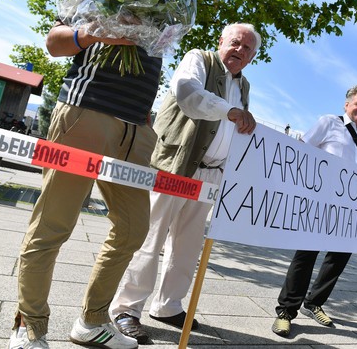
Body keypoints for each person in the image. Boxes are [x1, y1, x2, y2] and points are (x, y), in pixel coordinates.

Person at [8, 21, 163, 349]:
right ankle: (28, 326)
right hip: (87, 111)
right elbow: (55, 42)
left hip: (136, 129)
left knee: (133, 228)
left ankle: (92, 322)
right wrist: (102, 30)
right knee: (52, 225)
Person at [109, 23, 261, 344]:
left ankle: (167, 306)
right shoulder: (199, 59)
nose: (240, 51)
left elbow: (234, 131)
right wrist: (230, 111)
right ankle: (126, 308)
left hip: (210, 175)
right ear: (221, 41)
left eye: (248, 49)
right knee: (150, 236)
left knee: (188, 245)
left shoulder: (244, 86)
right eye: (235, 43)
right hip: (175, 165)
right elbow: (188, 94)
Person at [271, 85, 357, 337]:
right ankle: (286, 311)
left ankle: (314, 302)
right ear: (346, 104)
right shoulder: (329, 123)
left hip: (349, 211)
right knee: (305, 256)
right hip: (320, 203)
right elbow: (303, 150)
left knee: (338, 259)